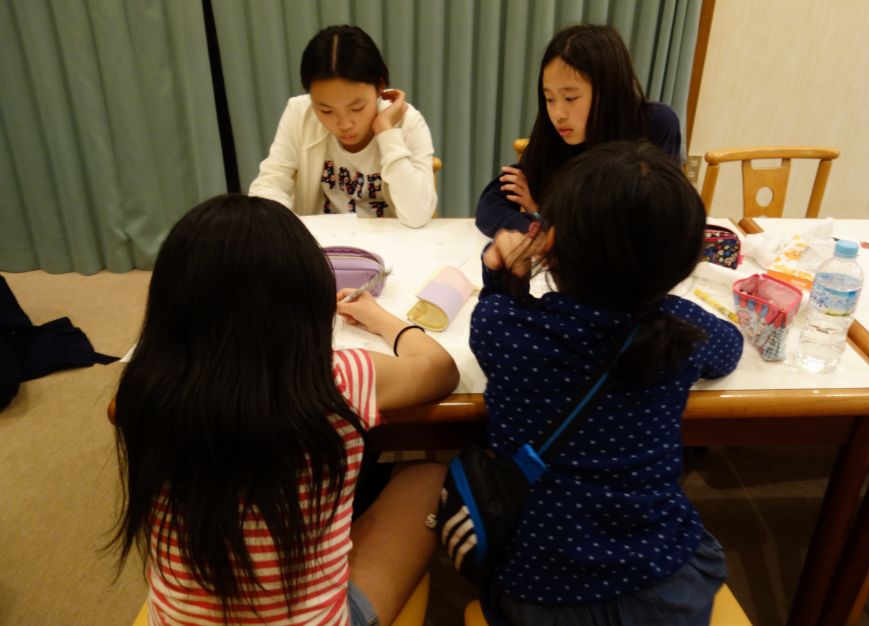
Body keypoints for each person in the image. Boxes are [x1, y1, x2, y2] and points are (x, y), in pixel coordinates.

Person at [110, 194, 458, 625]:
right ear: (306, 299)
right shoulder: (335, 379)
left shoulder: (144, 388)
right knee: (430, 476)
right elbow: (440, 369)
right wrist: (379, 317)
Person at [470, 141, 743, 625]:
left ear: (550, 243)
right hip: (665, 588)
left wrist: (502, 274)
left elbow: (493, 314)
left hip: (540, 593)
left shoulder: (505, 328)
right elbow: (730, 350)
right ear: (682, 264)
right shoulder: (679, 331)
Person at [475, 24, 681, 237]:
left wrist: (539, 213)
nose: (558, 114)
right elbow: (489, 209)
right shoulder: (554, 136)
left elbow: (645, 224)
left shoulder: (655, 124)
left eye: (570, 98)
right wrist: (541, 229)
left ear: (609, 90)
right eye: (549, 99)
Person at [250, 25, 436, 228]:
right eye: (326, 110)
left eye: (357, 108)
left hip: (391, 242)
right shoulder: (300, 113)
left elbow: (418, 215)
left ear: (380, 86)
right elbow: (271, 183)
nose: (344, 124)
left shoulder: (407, 122)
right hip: (321, 241)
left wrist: (386, 130)